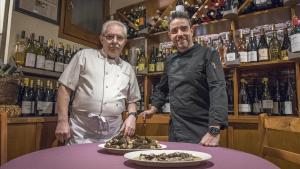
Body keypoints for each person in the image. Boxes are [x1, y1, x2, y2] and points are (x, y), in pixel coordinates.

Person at [140, 11, 228, 146]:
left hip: (202, 130)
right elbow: (162, 88)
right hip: (176, 129)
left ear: (192, 30)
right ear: (170, 36)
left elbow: (218, 88)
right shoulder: (170, 60)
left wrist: (214, 128)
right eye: (174, 31)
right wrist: (154, 108)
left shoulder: (208, 54)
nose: (179, 34)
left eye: (184, 28)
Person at [55, 20, 141, 144]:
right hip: (81, 131)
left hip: (114, 133)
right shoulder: (84, 56)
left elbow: (132, 100)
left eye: (120, 38)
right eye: (110, 37)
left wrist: (132, 116)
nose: (115, 41)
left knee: (110, 163)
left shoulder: (128, 69)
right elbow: (64, 89)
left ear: (125, 42)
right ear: (102, 39)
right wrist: (62, 121)